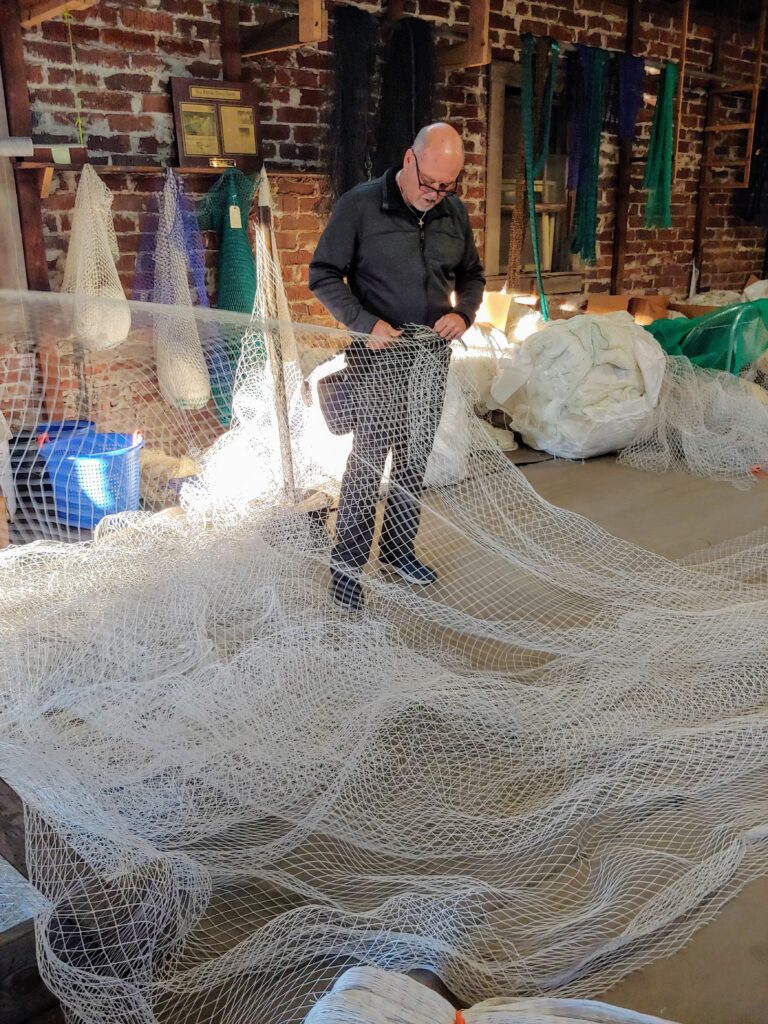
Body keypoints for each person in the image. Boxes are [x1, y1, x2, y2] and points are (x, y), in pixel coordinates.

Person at [309, 122, 485, 611]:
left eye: (445, 186)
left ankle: (398, 551)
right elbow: (322, 274)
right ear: (409, 160)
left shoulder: (454, 212)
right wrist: (364, 322)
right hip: (378, 359)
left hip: (429, 358)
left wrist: (462, 313)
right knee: (368, 466)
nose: (434, 194)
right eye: (428, 182)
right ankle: (346, 570)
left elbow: (471, 275)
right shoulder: (361, 206)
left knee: (413, 460)